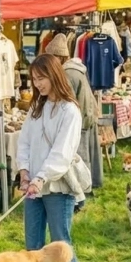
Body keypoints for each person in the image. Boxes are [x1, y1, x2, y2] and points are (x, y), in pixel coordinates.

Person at [16, 54, 84, 262]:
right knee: (33, 247)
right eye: (34, 79)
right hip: (33, 187)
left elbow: (62, 152)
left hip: (57, 188)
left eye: (41, 78)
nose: (37, 84)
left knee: (60, 244)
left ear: (54, 75)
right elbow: (24, 142)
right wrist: (24, 172)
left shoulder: (69, 111)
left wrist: (41, 177)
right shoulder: (36, 108)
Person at [46, 33, 102, 192]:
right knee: (86, 154)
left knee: (79, 158)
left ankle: (81, 190)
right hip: (86, 114)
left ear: (58, 57)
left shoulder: (67, 73)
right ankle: (88, 186)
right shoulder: (76, 69)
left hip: (79, 118)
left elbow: (66, 100)